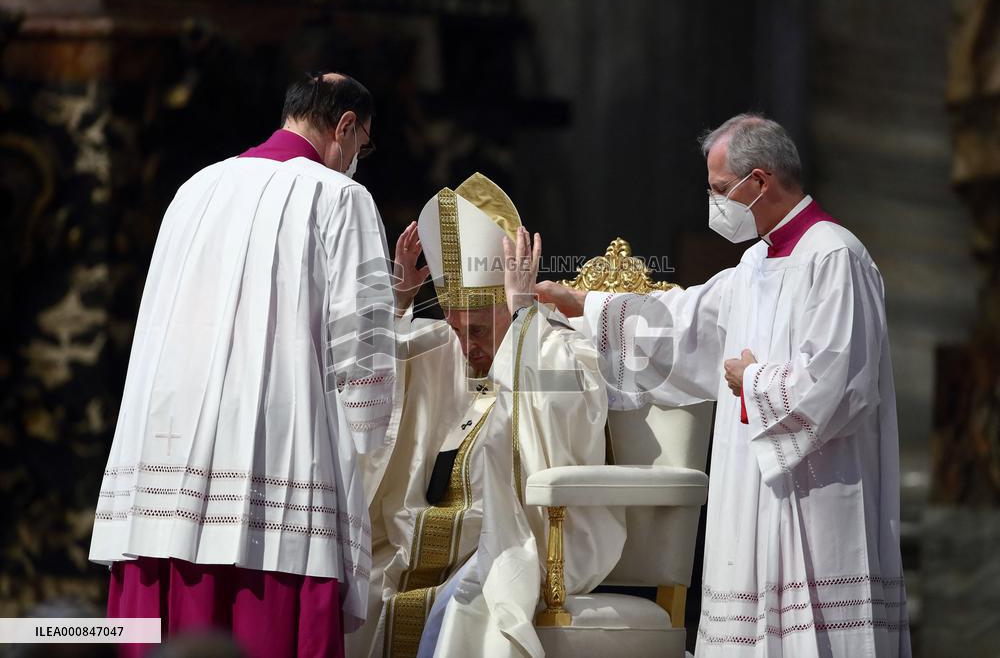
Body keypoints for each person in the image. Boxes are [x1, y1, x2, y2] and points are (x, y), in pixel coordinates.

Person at [538, 114, 911, 657]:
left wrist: (752, 379)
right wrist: (584, 305)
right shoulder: (755, 262)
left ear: (757, 182)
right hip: (755, 487)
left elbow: (840, 384)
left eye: (719, 189)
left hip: (820, 492)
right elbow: (683, 323)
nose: (714, 203)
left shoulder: (835, 257)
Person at [90, 72, 396, 658]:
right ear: (346, 126)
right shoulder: (340, 197)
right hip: (276, 451)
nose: (358, 160)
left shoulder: (195, 188)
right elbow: (362, 344)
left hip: (166, 452)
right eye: (361, 145)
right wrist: (370, 432)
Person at [349, 173, 625, 658]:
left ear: (511, 306)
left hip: (513, 539)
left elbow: (562, 418)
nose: (465, 345)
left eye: (478, 328)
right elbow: (381, 375)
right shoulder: (450, 349)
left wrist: (522, 319)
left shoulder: (555, 348)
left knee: (467, 613)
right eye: (455, 326)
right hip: (423, 545)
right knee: (357, 596)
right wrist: (398, 302)